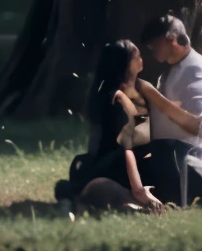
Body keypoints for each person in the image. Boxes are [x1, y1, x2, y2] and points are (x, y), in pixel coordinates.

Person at [54, 39, 167, 214]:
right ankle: (130, 202)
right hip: (118, 166)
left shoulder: (135, 93)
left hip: (126, 162)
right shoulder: (116, 99)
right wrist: (139, 190)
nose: (141, 59)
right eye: (136, 56)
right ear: (125, 65)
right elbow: (126, 148)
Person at [135, 12, 202, 207]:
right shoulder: (173, 70)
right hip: (174, 159)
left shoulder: (197, 69)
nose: (150, 48)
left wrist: (151, 93)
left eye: (154, 42)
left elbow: (197, 125)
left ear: (171, 38)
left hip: (193, 164)